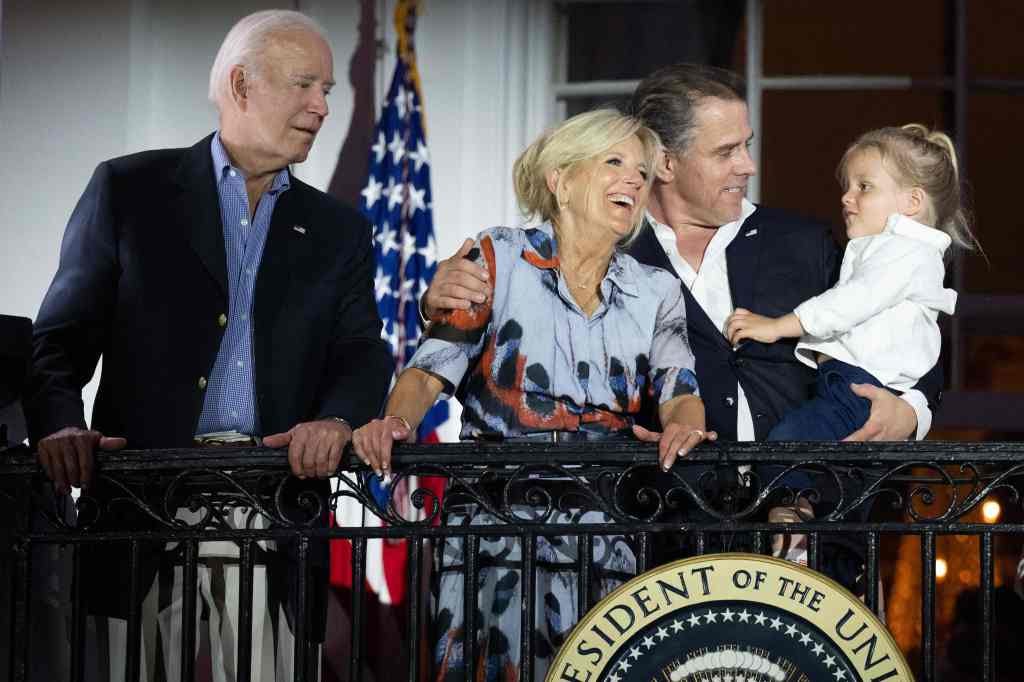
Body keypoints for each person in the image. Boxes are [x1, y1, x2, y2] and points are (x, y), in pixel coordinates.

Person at [421, 64, 944, 593]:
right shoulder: (611, 256)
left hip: (815, 553)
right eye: (726, 152)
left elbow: (910, 325)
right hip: (662, 561)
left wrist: (913, 409)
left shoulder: (805, 242)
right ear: (666, 163)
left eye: (746, 145)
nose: (749, 165)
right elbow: (520, 308)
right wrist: (444, 297)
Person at [25, 10, 392, 681]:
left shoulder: (340, 231)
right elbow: (59, 339)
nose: (320, 107)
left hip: (272, 502)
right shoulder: (128, 190)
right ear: (242, 85)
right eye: (305, 85)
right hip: (137, 498)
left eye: (329, 91)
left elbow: (362, 352)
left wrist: (338, 418)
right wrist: (59, 424)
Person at [353, 109, 713, 680]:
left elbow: (680, 391)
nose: (633, 181)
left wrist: (684, 424)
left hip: (604, 536)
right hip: (493, 532)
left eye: (642, 173)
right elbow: (427, 373)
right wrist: (396, 422)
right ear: (561, 180)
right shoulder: (495, 259)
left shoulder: (656, 290)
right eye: (613, 163)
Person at [725, 124, 974, 562]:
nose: (847, 197)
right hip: (848, 384)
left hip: (858, 389)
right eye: (848, 187)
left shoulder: (906, 254)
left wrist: (779, 325)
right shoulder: (883, 250)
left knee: (787, 444)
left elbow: (851, 302)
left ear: (912, 202)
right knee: (819, 463)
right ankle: (806, 528)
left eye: (864, 187)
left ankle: (798, 535)